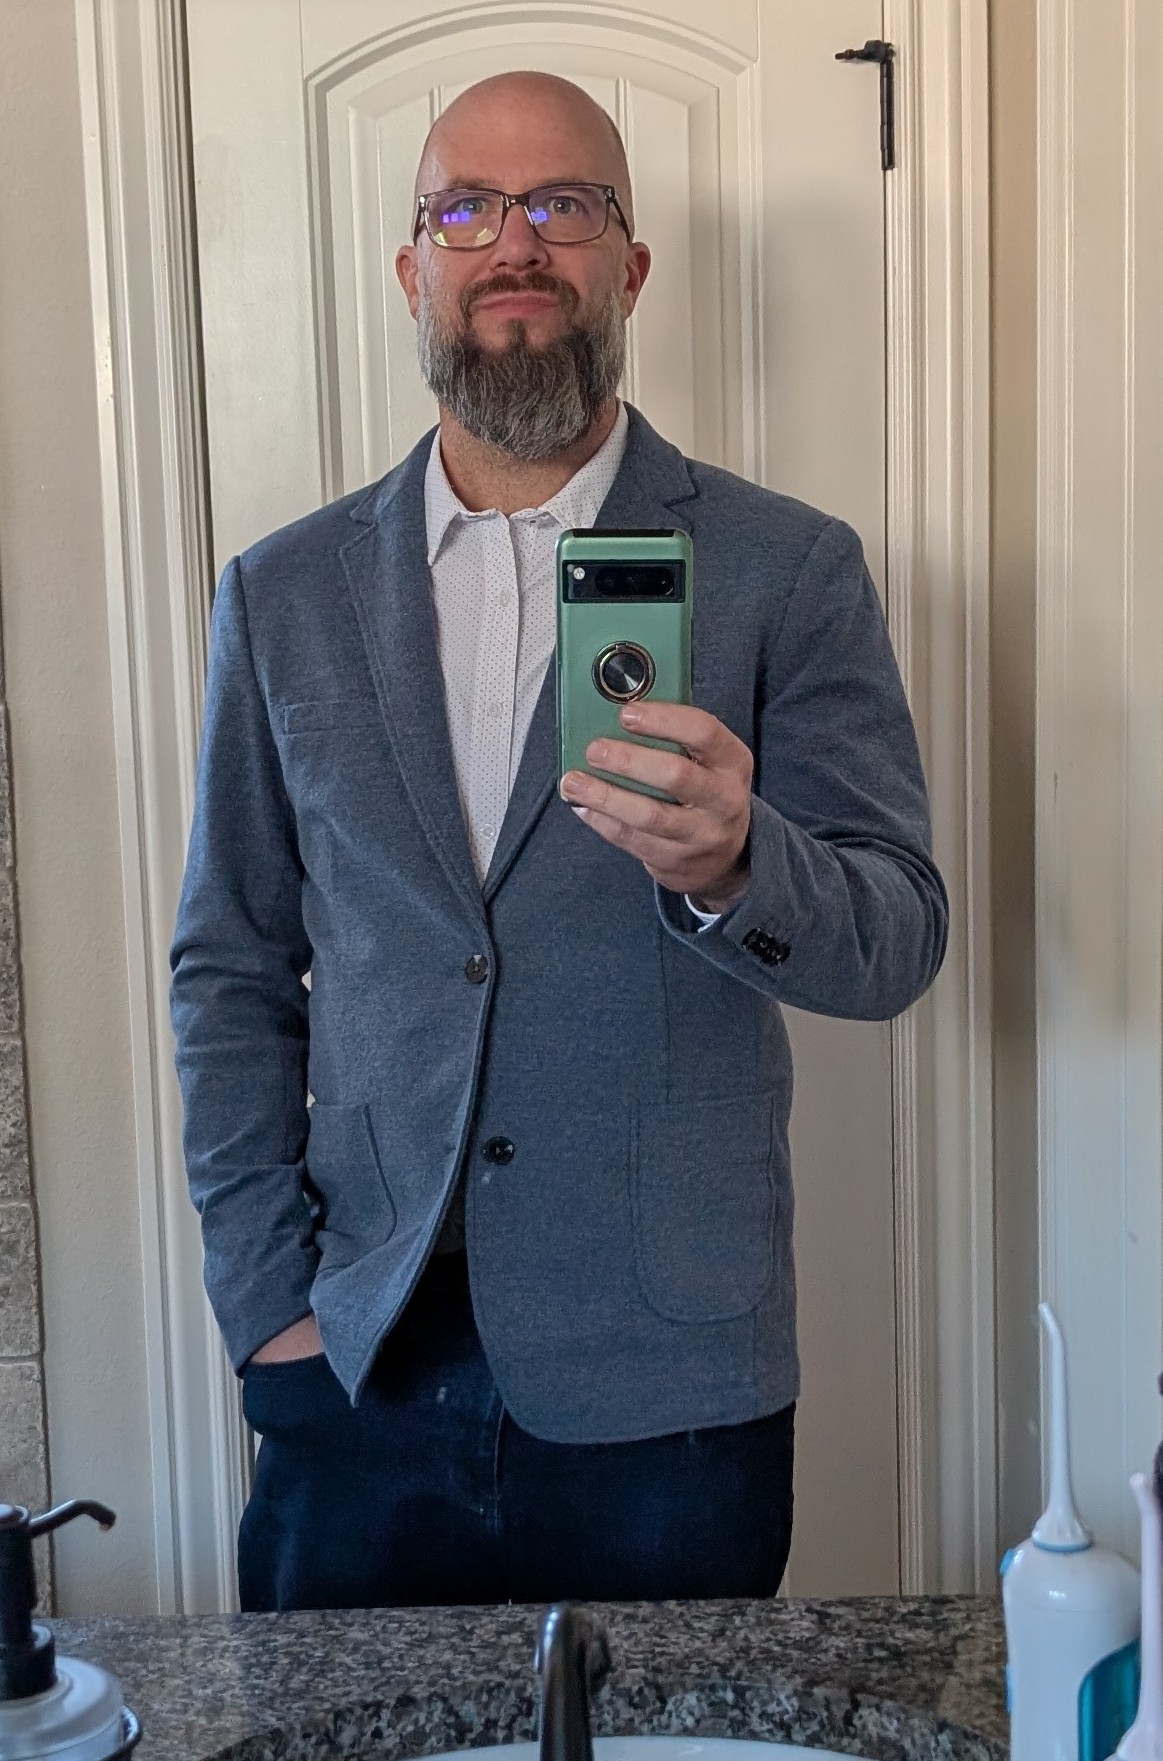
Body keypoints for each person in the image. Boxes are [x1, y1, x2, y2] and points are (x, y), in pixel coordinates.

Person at [170, 70, 948, 1612]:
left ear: (629, 265)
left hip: (671, 1385)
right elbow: (229, 967)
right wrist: (268, 1308)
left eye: (563, 205)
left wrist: (739, 865)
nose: (514, 243)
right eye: (467, 208)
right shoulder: (285, 593)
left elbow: (897, 932)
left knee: (672, 1728)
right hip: (360, 1367)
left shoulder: (785, 568)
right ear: (413, 266)